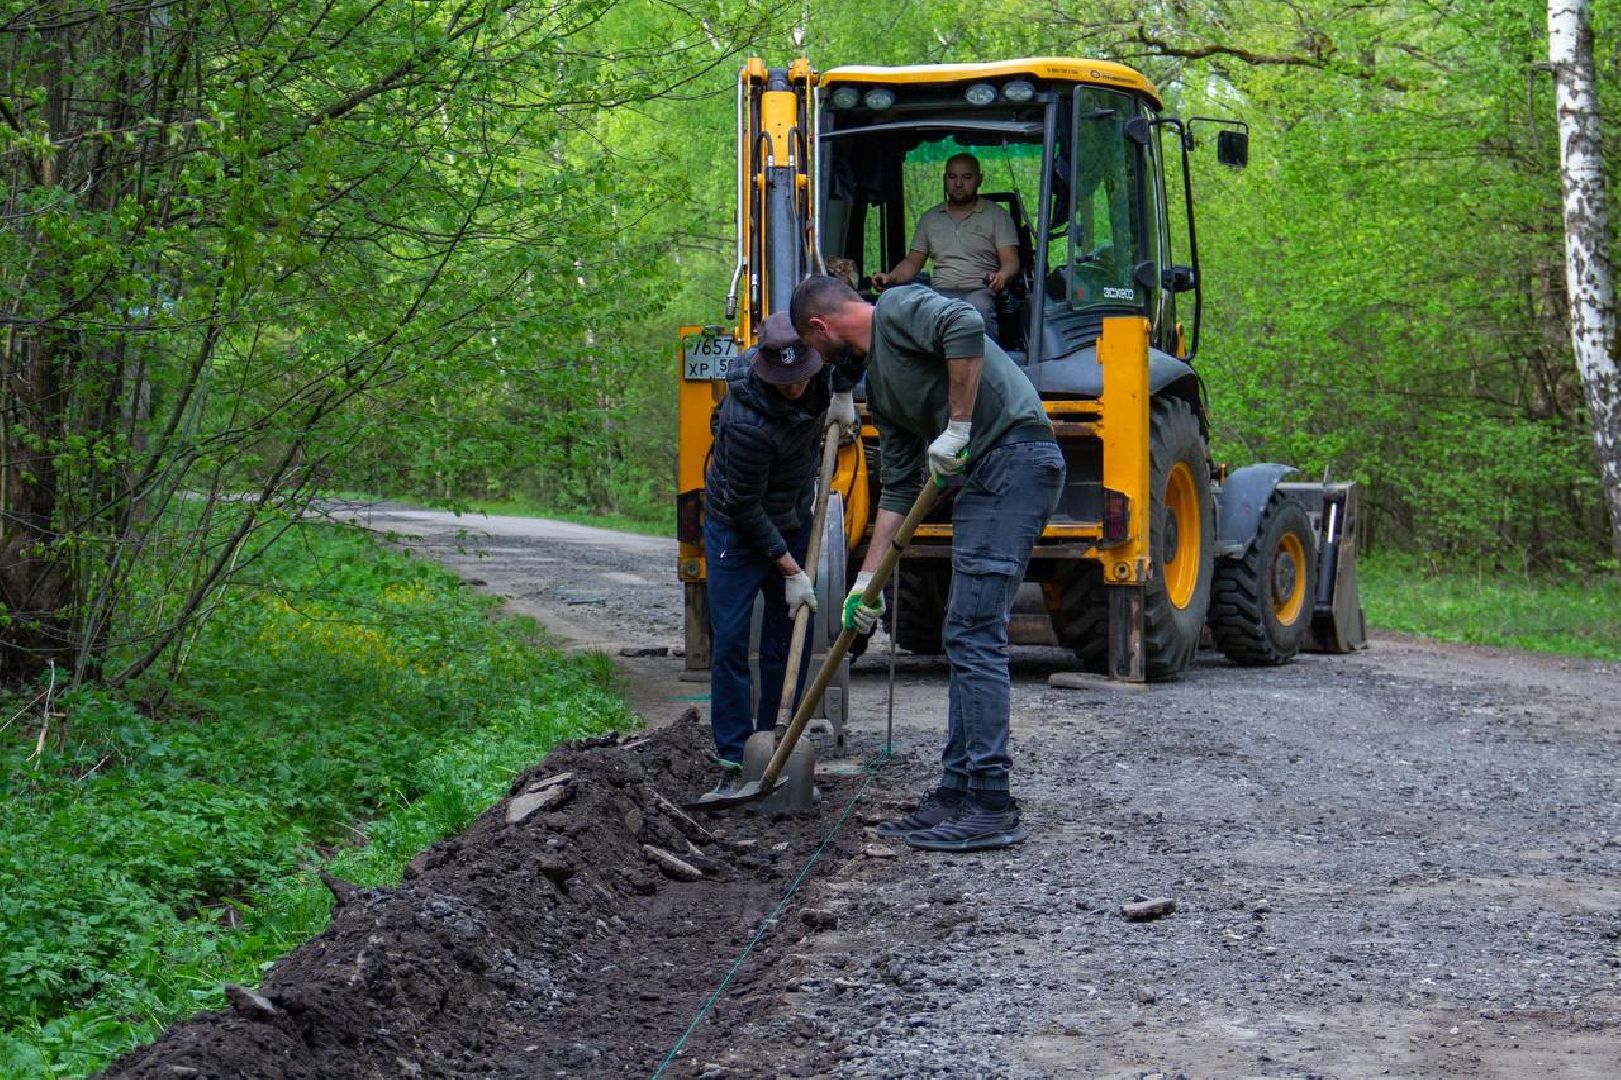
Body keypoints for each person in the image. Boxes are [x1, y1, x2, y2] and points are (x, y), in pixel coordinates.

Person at [790, 275, 1064, 852]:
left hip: (1016, 456)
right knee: (960, 632)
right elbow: (896, 489)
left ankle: (990, 801)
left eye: (815, 348)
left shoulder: (896, 308)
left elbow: (965, 324)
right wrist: (866, 585)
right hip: (985, 474)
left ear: (821, 327)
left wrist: (958, 426)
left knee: (974, 631)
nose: (822, 362)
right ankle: (956, 791)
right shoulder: (884, 391)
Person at [703, 312, 858, 794]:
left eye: (802, 378)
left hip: (792, 515)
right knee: (730, 639)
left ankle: (772, 741)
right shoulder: (745, 421)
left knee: (788, 636)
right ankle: (735, 755)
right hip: (737, 527)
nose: (795, 388)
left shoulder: (821, 371)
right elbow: (745, 507)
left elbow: (856, 350)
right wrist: (790, 569)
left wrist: (843, 394)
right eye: (784, 381)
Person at [871, 153, 1020, 342]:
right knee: (909, 309)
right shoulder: (930, 218)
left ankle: (984, 360)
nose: (958, 183)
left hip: (979, 290)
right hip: (940, 292)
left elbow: (1011, 262)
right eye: (952, 177)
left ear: (979, 180)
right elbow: (912, 262)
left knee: (977, 307)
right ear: (944, 179)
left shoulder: (997, 216)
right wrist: (890, 277)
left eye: (966, 177)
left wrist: (1002, 276)